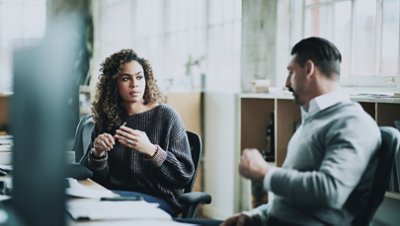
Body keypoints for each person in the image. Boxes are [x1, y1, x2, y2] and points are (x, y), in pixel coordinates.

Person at [222, 37, 381, 226]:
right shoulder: (314, 119)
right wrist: (257, 215)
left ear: (308, 69)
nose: (286, 83)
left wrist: (263, 172)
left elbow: (329, 191)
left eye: (290, 72)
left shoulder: (352, 122)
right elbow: (294, 202)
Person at [80, 49, 194, 216]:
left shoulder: (166, 116)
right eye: (126, 78)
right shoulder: (107, 121)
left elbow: (183, 175)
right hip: (114, 199)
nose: (135, 84)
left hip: (157, 201)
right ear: (113, 84)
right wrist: (97, 154)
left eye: (139, 77)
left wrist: (151, 150)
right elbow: (91, 178)